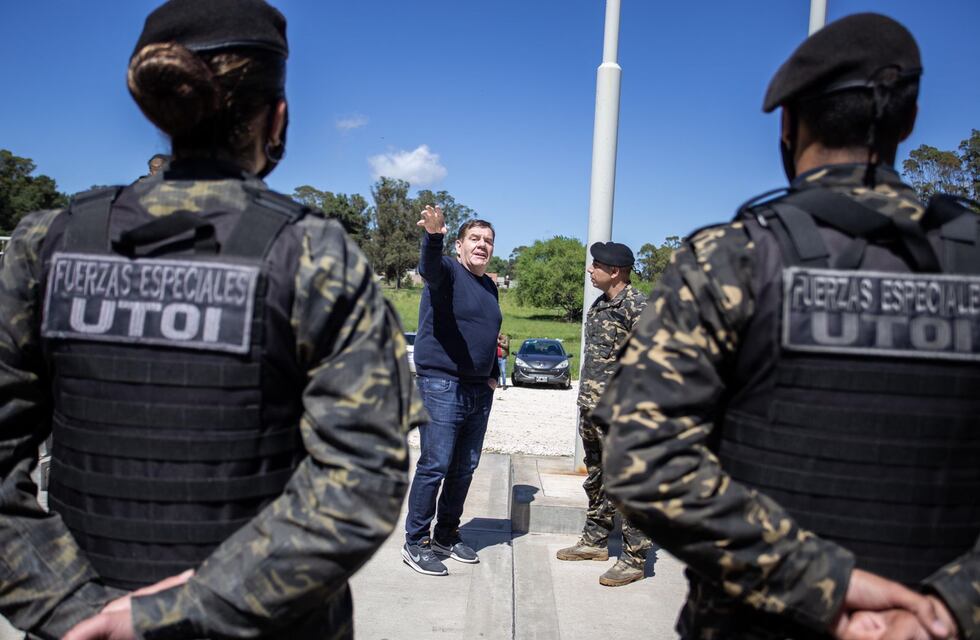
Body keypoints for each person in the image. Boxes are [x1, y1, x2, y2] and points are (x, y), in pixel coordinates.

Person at [0, 1, 421, 639]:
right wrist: (173, 614)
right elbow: (363, 478)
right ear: (276, 118)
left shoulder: (46, 245)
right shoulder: (313, 255)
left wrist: (75, 614)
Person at [595, 12, 977, 640]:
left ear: (787, 126)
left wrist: (823, 584)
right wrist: (947, 608)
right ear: (908, 121)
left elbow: (640, 460)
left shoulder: (732, 260)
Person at [402, 206, 502, 576]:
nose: (482, 245)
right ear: (459, 245)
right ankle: (416, 541)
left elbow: (488, 333)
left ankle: (446, 534)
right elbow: (428, 266)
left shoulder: (489, 285)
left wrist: (492, 373)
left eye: (488, 240)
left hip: (478, 390)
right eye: (474, 238)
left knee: (464, 469)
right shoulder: (446, 270)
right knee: (436, 465)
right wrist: (433, 237)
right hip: (442, 385)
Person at [556, 242, 650, 587]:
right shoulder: (600, 305)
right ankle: (595, 542)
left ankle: (634, 558)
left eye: (595, 265)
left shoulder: (640, 307)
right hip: (592, 409)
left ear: (615, 271)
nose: (589, 270)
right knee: (597, 479)